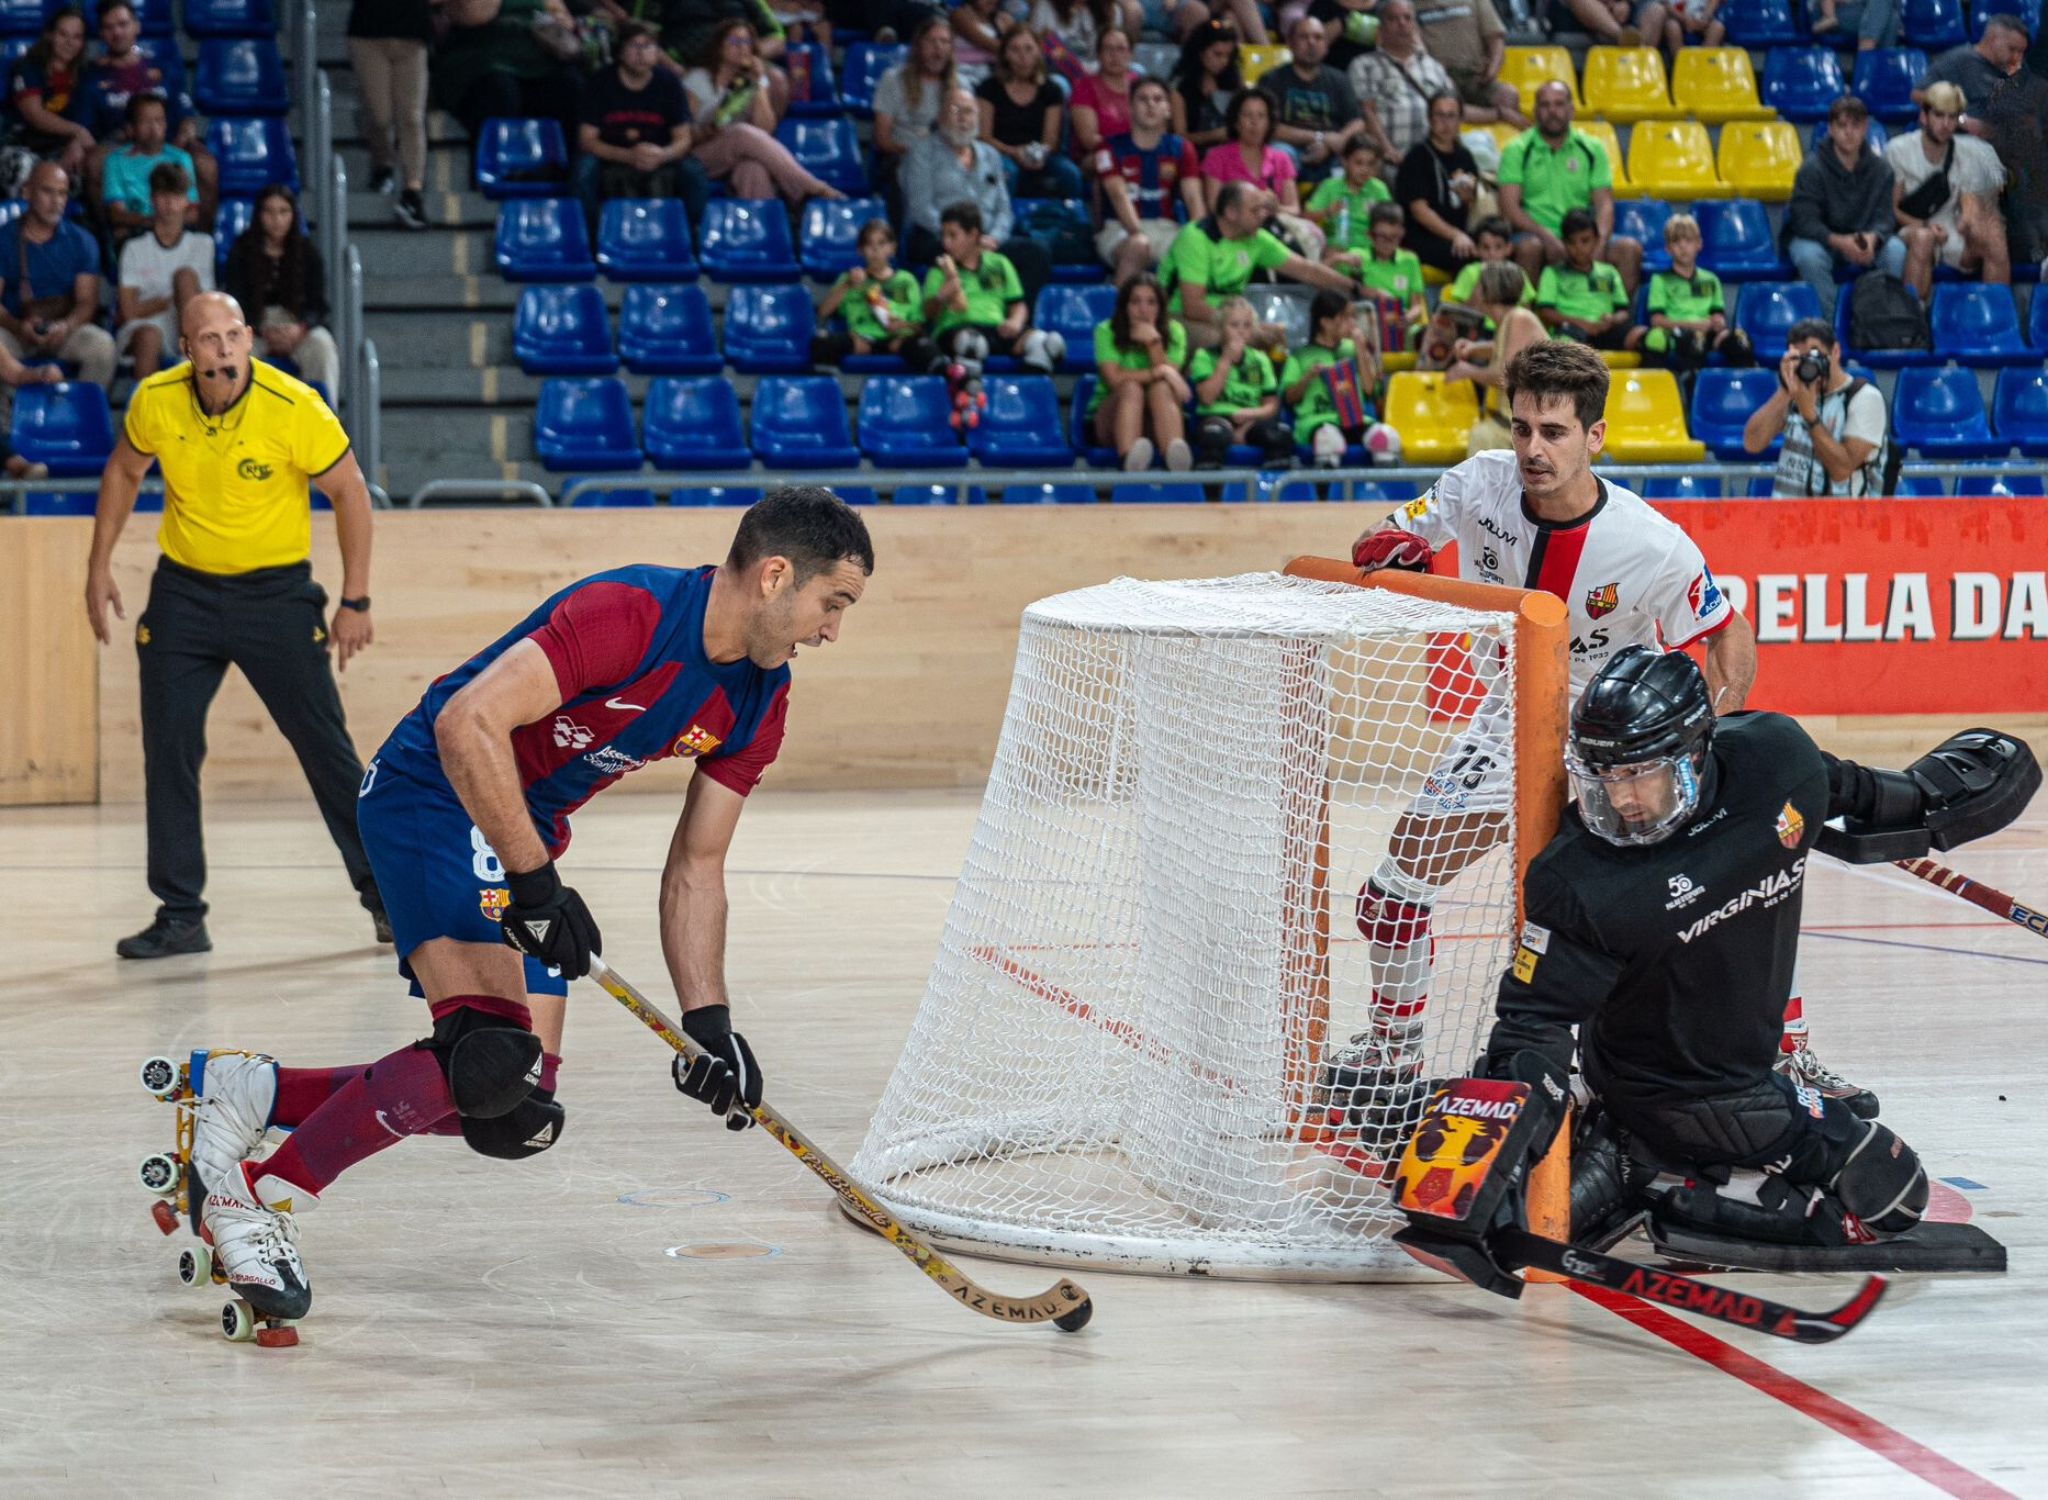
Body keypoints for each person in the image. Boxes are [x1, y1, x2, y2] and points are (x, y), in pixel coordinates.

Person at [154, 487, 873, 1325]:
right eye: (833, 603)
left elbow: (697, 863)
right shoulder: (630, 612)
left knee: (515, 1106)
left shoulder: (761, 698)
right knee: (489, 1050)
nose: (832, 630)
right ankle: (252, 1197)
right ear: (775, 576)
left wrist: (708, 1022)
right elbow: (467, 725)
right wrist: (536, 883)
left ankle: (255, 1094)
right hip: (431, 791)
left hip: (516, 831)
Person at [1459, 651, 2035, 1268]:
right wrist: (1495, 1157)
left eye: (1638, 775)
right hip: (1684, 1094)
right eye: (1603, 779)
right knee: (1892, 1198)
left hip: (1746, 1070)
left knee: (1886, 1181)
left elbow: (1854, 793)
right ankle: (1653, 1175)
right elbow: (1531, 1026)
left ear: (1696, 751)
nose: (1620, 799)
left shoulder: (1774, 759)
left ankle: (1641, 1155)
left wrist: (1933, 797)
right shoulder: (1581, 878)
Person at [1331, 340, 1758, 1143]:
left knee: (1699, 902)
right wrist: (1388, 549)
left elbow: (1728, 636)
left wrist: (1715, 733)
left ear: (1595, 437)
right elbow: (1383, 538)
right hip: (1504, 725)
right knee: (1390, 895)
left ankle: (1773, 1054)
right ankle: (1391, 1054)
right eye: (1523, 427)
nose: (1533, 448)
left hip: (1612, 746)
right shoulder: (1477, 484)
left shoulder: (1651, 543)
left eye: (1554, 431)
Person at [83, 291, 386, 963]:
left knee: (325, 750)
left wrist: (355, 601)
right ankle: (181, 913)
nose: (222, 348)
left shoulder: (294, 406)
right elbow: (124, 471)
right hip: (183, 595)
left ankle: (387, 900)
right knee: (169, 751)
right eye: (208, 339)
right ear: (185, 348)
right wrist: (98, 566)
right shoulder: (157, 399)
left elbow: (351, 492)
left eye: (232, 335)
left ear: (249, 338)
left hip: (275, 597)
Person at [1164, 180, 1367, 348]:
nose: (1263, 215)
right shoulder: (1195, 238)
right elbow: (1193, 306)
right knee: (1232, 341)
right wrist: (1249, 327)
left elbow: (1307, 270)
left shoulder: (1257, 239)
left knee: (1276, 339)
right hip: (1178, 317)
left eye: (1263, 209)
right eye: (1255, 210)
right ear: (1231, 213)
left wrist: (1355, 287)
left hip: (1229, 319)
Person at [903, 90, 1054, 304]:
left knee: (1037, 253)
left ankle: (1016, 318)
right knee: (942, 251)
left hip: (987, 239)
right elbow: (920, 207)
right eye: (956, 111)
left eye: (969, 112)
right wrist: (961, 237)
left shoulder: (990, 155)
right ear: (940, 116)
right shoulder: (922, 152)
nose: (963, 118)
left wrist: (994, 237)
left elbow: (1004, 208)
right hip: (940, 236)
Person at [82, 2, 218, 232]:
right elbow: (84, 128)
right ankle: (110, 242)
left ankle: (200, 239)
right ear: (102, 34)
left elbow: (186, 115)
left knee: (206, 165)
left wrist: (183, 137)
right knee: (94, 163)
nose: (117, 32)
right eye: (109, 27)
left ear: (136, 26)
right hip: (118, 142)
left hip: (166, 139)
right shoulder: (92, 76)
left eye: (123, 24)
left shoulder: (163, 67)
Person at [681, 20, 841, 209]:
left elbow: (765, 129)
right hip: (700, 156)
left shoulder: (753, 80)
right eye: (735, 42)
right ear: (719, 47)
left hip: (738, 154)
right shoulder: (698, 79)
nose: (742, 48)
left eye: (747, 42)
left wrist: (757, 84)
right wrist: (710, 130)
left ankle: (765, 230)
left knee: (753, 170)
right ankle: (811, 187)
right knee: (741, 132)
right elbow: (684, 133)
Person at [1500, 81, 1642, 294]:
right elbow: (1510, 209)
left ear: (1571, 110)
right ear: (1536, 111)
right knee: (1530, 249)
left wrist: (1599, 242)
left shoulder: (1592, 148)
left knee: (1629, 250)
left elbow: (1604, 205)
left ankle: (1614, 319)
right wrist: (1546, 235)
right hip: (1536, 233)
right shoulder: (1517, 149)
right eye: (1545, 105)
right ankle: (1535, 321)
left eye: (1559, 104)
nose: (1552, 111)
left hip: (1582, 234)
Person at [1782, 94, 1905, 319]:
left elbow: (1885, 217)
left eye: (1855, 125)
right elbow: (1803, 220)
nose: (1849, 132)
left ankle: (1882, 322)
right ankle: (1830, 327)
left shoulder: (1881, 169)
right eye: (1842, 125)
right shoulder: (1812, 168)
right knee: (1809, 256)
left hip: (1862, 240)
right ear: (1830, 129)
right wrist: (1839, 242)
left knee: (1895, 250)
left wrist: (1872, 239)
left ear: (1865, 128)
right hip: (1822, 240)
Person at [575, 21, 707, 231]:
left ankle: (695, 236)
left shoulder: (669, 83)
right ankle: (588, 236)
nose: (641, 53)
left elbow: (683, 139)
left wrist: (663, 154)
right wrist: (628, 155)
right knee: (584, 169)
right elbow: (587, 140)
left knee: (693, 171)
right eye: (634, 46)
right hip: (612, 157)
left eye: (648, 46)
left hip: (659, 157)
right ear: (621, 52)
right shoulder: (600, 82)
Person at [1742, 317, 1891, 498]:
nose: (1809, 366)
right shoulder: (1794, 394)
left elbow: (1842, 470)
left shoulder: (1864, 397)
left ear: (1835, 351)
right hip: (1790, 520)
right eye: (1801, 359)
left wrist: (1809, 415)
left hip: (1843, 521)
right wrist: (1785, 389)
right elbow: (1752, 443)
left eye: (1815, 356)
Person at [0, 162, 116, 394]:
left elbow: (86, 301)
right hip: (16, 330)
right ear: (27, 192)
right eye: (47, 191)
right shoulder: (4, 238)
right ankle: (11, 419)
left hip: (63, 331)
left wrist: (65, 326)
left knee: (102, 347)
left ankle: (79, 416)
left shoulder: (81, 240)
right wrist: (18, 326)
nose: (57, 201)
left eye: (62, 193)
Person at [1886, 82, 2010, 299]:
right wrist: (1925, 226)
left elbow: (1968, 206)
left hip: (1951, 228)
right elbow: (1891, 210)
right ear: (1924, 116)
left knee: (1994, 239)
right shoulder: (1898, 150)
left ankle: (1996, 317)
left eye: (1952, 117)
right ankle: (1913, 321)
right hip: (1911, 226)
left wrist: (1972, 224)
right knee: (1924, 239)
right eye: (1939, 115)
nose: (1945, 124)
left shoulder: (1967, 152)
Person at [921, 199, 1067, 371]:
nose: (946, 243)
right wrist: (942, 295)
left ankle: (1021, 394)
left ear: (973, 235)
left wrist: (1015, 321)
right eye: (943, 235)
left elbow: (1018, 304)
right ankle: (969, 394)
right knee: (971, 344)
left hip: (997, 329)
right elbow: (928, 315)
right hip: (957, 330)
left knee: (1049, 344)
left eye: (953, 235)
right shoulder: (938, 271)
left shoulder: (999, 263)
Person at [223, 185, 341, 395]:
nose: (276, 219)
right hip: (253, 327)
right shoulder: (242, 250)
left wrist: (300, 329)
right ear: (259, 215)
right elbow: (235, 302)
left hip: (297, 326)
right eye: (269, 211)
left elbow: (318, 305)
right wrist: (260, 329)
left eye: (283, 211)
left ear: (293, 215)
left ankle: (322, 417)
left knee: (322, 345)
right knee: (234, 352)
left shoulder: (308, 253)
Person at [432, 0, 582, 158]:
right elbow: (474, 15)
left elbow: (560, 14)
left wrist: (561, 20)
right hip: (479, 59)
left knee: (570, 84)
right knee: (501, 91)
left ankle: (567, 173)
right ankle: (496, 169)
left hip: (536, 58)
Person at [1095, 75, 1206, 285]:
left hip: (1166, 228)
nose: (1150, 105)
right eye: (1142, 99)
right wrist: (1137, 233)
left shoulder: (1182, 148)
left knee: (1196, 251)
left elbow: (1193, 198)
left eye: (1158, 99)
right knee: (1138, 246)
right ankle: (1118, 314)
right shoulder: (1109, 147)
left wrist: (1202, 238)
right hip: (1119, 227)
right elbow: (1118, 196)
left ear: (1168, 109)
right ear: (1130, 107)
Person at [1202, 86, 1325, 260]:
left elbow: (1294, 209)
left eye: (1261, 116)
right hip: (1234, 231)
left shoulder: (1281, 159)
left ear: (1269, 122)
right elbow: (1214, 207)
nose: (1255, 122)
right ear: (1236, 122)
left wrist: (1275, 208)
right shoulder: (1217, 157)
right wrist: (1249, 210)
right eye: (1247, 115)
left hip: (1272, 231)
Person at [115, 162, 213, 379]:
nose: (169, 203)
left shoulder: (203, 244)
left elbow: (204, 303)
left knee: (185, 278)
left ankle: (190, 357)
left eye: (176, 196)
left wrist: (163, 301)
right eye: (163, 195)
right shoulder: (134, 247)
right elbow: (129, 311)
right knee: (148, 336)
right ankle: (144, 409)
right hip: (147, 326)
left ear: (187, 200)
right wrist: (170, 301)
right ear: (152, 199)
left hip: (191, 325)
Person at [1088, 273, 1194, 471]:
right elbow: (1114, 378)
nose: (1143, 310)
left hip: (1156, 421)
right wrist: (1161, 370)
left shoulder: (1175, 331)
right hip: (1111, 419)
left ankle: (1175, 460)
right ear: (1125, 307)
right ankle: (1129, 459)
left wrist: (1154, 343)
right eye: (1135, 302)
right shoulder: (1106, 331)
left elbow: (1172, 385)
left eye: (1151, 302)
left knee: (1161, 388)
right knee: (1131, 388)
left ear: (1161, 307)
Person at [1282, 287, 1399, 466]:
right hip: (1318, 421)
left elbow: (1369, 390)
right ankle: (1326, 493)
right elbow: (1288, 398)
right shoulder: (1299, 357)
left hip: (1353, 419)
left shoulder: (1352, 349)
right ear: (1326, 322)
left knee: (1387, 438)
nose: (1352, 323)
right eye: (1345, 317)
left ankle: (1382, 492)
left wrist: (1360, 347)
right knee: (1329, 441)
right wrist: (1308, 377)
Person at [1437, 260, 1543, 453]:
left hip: (1529, 426)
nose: (1474, 290)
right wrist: (1474, 349)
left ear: (1488, 289)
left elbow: (1506, 376)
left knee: (1482, 439)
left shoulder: (1519, 318)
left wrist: (1468, 371)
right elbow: (1511, 349)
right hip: (1517, 423)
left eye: (1478, 284)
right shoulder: (1511, 319)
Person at [348, 0, 434, 228]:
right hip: (369, 32)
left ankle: (412, 190)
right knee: (379, 115)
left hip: (413, 33)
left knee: (412, 117)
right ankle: (382, 164)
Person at [976, 24, 1086, 200]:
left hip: (1039, 154)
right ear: (1005, 54)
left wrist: (1038, 155)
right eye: (1015, 50)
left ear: (1038, 52)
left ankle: (1072, 221)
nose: (1023, 57)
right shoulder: (988, 88)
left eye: (1029, 49)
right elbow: (984, 137)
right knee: (1008, 171)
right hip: (1001, 153)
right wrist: (1014, 152)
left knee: (1070, 174)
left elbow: (1051, 141)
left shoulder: (1051, 90)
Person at [810, 217, 935, 370]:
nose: (875, 250)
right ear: (860, 250)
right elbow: (823, 312)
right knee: (821, 345)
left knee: (924, 347)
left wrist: (900, 325)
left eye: (882, 243)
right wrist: (847, 285)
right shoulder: (850, 279)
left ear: (893, 248)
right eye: (869, 244)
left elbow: (918, 323)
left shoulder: (903, 280)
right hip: (862, 340)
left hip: (897, 340)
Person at [1189, 293, 1292, 466]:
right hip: (1217, 417)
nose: (1241, 331)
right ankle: (1213, 491)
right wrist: (1226, 360)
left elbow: (1272, 405)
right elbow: (1207, 398)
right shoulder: (1204, 356)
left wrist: (1249, 415)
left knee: (1280, 434)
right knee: (1214, 435)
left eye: (1247, 325)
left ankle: (1268, 489)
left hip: (1252, 419)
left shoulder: (1260, 359)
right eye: (1234, 325)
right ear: (1221, 328)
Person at [1642, 212, 1753, 370]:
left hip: (1709, 334)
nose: (1683, 246)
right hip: (1678, 335)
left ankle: (1742, 391)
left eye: (1688, 240)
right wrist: (1695, 325)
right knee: (1694, 340)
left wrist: (1718, 323)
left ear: (1699, 244)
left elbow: (1717, 314)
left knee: (1741, 341)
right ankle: (1692, 390)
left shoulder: (1711, 279)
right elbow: (1657, 321)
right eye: (1676, 241)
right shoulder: (1660, 280)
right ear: (1668, 249)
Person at [872, 12, 956, 214]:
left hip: (945, 158)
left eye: (945, 42)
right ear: (918, 46)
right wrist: (916, 152)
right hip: (901, 156)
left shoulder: (961, 87)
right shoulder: (893, 79)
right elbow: (882, 139)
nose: (938, 49)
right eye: (932, 42)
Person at [1266, 16, 1365, 187]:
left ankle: (1343, 211)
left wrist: (1337, 142)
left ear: (1326, 46)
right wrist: (1321, 138)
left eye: (1318, 38)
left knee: (1356, 158)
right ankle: (1285, 208)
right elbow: (1269, 127)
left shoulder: (1339, 79)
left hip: (1332, 153)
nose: (1311, 43)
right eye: (1304, 37)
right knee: (1280, 153)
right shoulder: (1273, 79)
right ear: (1290, 42)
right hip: (1290, 148)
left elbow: (1357, 122)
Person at [1396, 90, 1483, 274]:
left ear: (1461, 120)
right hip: (1422, 237)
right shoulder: (1417, 157)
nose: (1446, 122)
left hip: (1457, 233)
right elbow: (1419, 211)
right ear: (1429, 118)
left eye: (1452, 116)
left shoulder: (1464, 156)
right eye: (1440, 115)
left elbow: (1469, 201)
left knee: (1495, 245)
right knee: (1468, 256)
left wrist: (1468, 197)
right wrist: (1456, 235)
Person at [94, 93, 197, 244]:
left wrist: (163, 224)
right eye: (145, 121)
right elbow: (116, 213)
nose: (154, 128)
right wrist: (150, 222)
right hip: (138, 232)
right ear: (130, 128)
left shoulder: (181, 158)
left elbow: (193, 211)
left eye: (159, 120)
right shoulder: (116, 160)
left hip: (175, 231)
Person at [1536, 209, 1643, 353]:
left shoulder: (1609, 271)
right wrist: (1583, 323)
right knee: (1564, 345)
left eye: (1585, 240)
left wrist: (1612, 319)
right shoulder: (1553, 272)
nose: (1578, 248)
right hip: (1571, 330)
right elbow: (1546, 312)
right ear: (1564, 243)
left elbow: (1623, 311)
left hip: (1605, 329)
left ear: (1597, 240)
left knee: (1652, 339)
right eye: (1572, 242)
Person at [8, 7, 93, 173]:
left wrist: (76, 141)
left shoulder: (85, 72)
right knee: (24, 166)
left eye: (77, 37)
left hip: (63, 146)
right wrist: (78, 132)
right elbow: (35, 115)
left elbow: (87, 118)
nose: (69, 42)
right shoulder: (27, 67)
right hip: (23, 145)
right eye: (63, 34)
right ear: (50, 35)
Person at [1409, 0, 1520, 125]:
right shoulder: (1409, 5)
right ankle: (1498, 115)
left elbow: (1496, 39)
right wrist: (1437, 76)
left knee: (1509, 95)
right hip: (1438, 78)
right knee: (1446, 102)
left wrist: (1492, 70)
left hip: (1475, 77)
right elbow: (1417, 49)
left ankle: (1504, 135)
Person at [1917, 13, 2030, 123]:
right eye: (2012, 49)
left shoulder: (2018, 69)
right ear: (1992, 39)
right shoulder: (1958, 60)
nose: (2017, 57)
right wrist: (1960, 119)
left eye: (2021, 52)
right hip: (1957, 135)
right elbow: (1919, 94)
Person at [1309, 135, 1392, 270]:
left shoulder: (1379, 189)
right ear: (1345, 161)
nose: (1365, 169)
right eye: (1358, 163)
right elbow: (1306, 217)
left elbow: (1391, 222)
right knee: (1333, 258)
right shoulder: (1330, 186)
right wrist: (1328, 212)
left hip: (1371, 248)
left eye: (1370, 164)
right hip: (1338, 247)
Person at [1353, 201, 1428, 348]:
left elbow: (1417, 306)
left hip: (1400, 322)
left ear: (1402, 233)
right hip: (1368, 319)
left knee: (1427, 334)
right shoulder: (1357, 257)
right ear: (1370, 234)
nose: (1388, 243)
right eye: (1382, 236)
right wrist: (1338, 259)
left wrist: (1407, 318)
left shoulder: (1410, 260)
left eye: (1394, 237)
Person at [1170, 19, 1243, 153]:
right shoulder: (1180, 87)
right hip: (1193, 154)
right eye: (1217, 54)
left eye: (1228, 56)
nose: (1223, 61)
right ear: (1201, 51)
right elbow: (1179, 137)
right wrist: (1212, 136)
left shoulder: (1234, 84)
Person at [1070, 28, 1139, 162]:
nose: (1114, 55)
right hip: (1100, 155)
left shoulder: (1140, 85)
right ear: (1099, 55)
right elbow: (1089, 140)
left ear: (1131, 54)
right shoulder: (1084, 88)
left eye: (1121, 49)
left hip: (1138, 152)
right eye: (1108, 49)